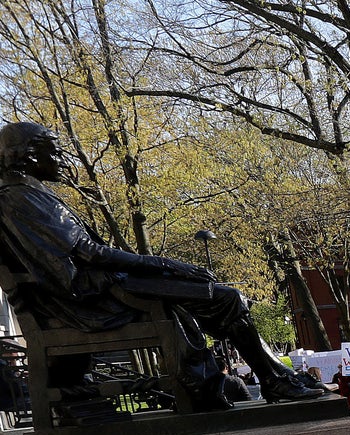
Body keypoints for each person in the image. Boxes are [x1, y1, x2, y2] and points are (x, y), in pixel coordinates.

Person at [0, 122, 323, 410]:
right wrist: (166, 264)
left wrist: (163, 267)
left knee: (222, 296)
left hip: (94, 290)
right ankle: (274, 380)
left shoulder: (27, 193)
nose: (61, 161)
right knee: (226, 297)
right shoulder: (22, 196)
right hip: (91, 298)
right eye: (54, 153)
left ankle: (276, 377)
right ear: (28, 155)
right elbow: (88, 252)